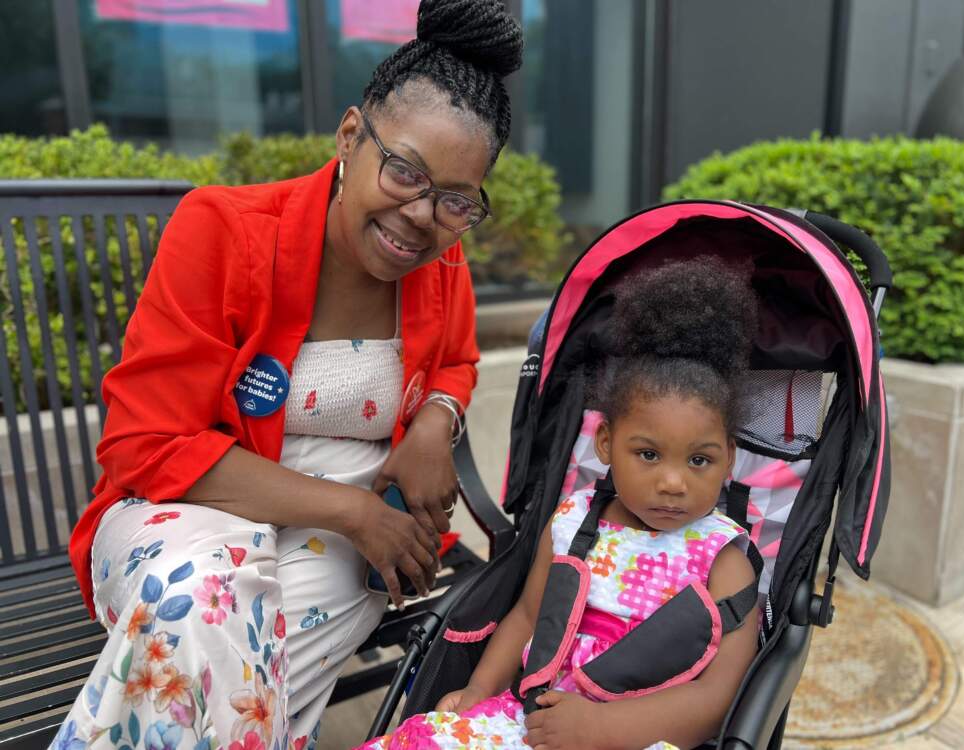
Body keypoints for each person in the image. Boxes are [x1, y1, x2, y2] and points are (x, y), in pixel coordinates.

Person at [52, 2, 523, 748]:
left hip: (337, 544)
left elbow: (458, 361)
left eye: (455, 200)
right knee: (198, 598)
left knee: (234, 666)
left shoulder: (442, 261)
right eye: (405, 171)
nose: (421, 215)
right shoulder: (224, 229)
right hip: (188, 505)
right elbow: (145, 446)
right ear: (349, 137)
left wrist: (437, 420)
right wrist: (355, 513)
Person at [359, 257, 761, 750]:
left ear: (729, 459)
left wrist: (601, 729)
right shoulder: (574, 521)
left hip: (637, 737)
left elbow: (716, 698)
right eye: (648, 454)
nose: (674, 482)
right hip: (529, 719)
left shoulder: (725, 562)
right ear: (606, 444)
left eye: (700, 460)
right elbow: (528, 616)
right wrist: (478, 693)